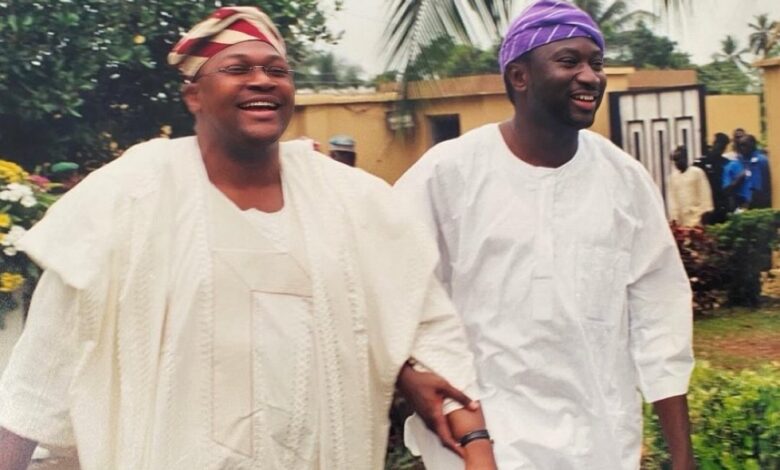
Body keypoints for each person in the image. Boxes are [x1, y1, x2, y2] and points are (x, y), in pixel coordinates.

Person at [0, 7, 496, 470]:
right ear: (194, 95)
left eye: (277, 70)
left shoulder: (353, 202)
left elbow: (430, 332)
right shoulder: (130, 195)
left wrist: (474, 444)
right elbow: (41, 368)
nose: (262, 80)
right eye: (237, 68)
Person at [395, 1, 695, 469]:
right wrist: (409, 378)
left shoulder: (624, 181)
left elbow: (660, 320)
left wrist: (682, 458)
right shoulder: (447, 173)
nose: (591, 77)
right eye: (569, 61)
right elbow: (386, 287)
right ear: (519, 76)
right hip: (482, 445)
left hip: (598, 442)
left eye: (597, 63)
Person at [722, 134, 771, 210]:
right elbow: (726, 189)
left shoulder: (761, 160)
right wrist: (738, 179)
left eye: (745, 145)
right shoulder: (733, 165)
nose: (742, 148)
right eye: (740, 145)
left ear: (753, 145)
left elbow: (766, 185)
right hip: (739, 204)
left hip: (758, 204)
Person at [668, 145, 713, 226]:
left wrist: (705, 212)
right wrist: (674, 217)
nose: (676, 163)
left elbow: (705, 193)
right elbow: (672, 198)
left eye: (678, 159)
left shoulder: (697, 172)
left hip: (697, 217)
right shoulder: (673, 177)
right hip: (681, 219)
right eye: (674, 160)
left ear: (685, 158)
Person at [695, 132, 731, 223]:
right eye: (718, 144)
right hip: (705, 205)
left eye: (723, 146)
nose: (720, 148)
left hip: (721, 204)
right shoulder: (701, 163)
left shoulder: (726, 163)